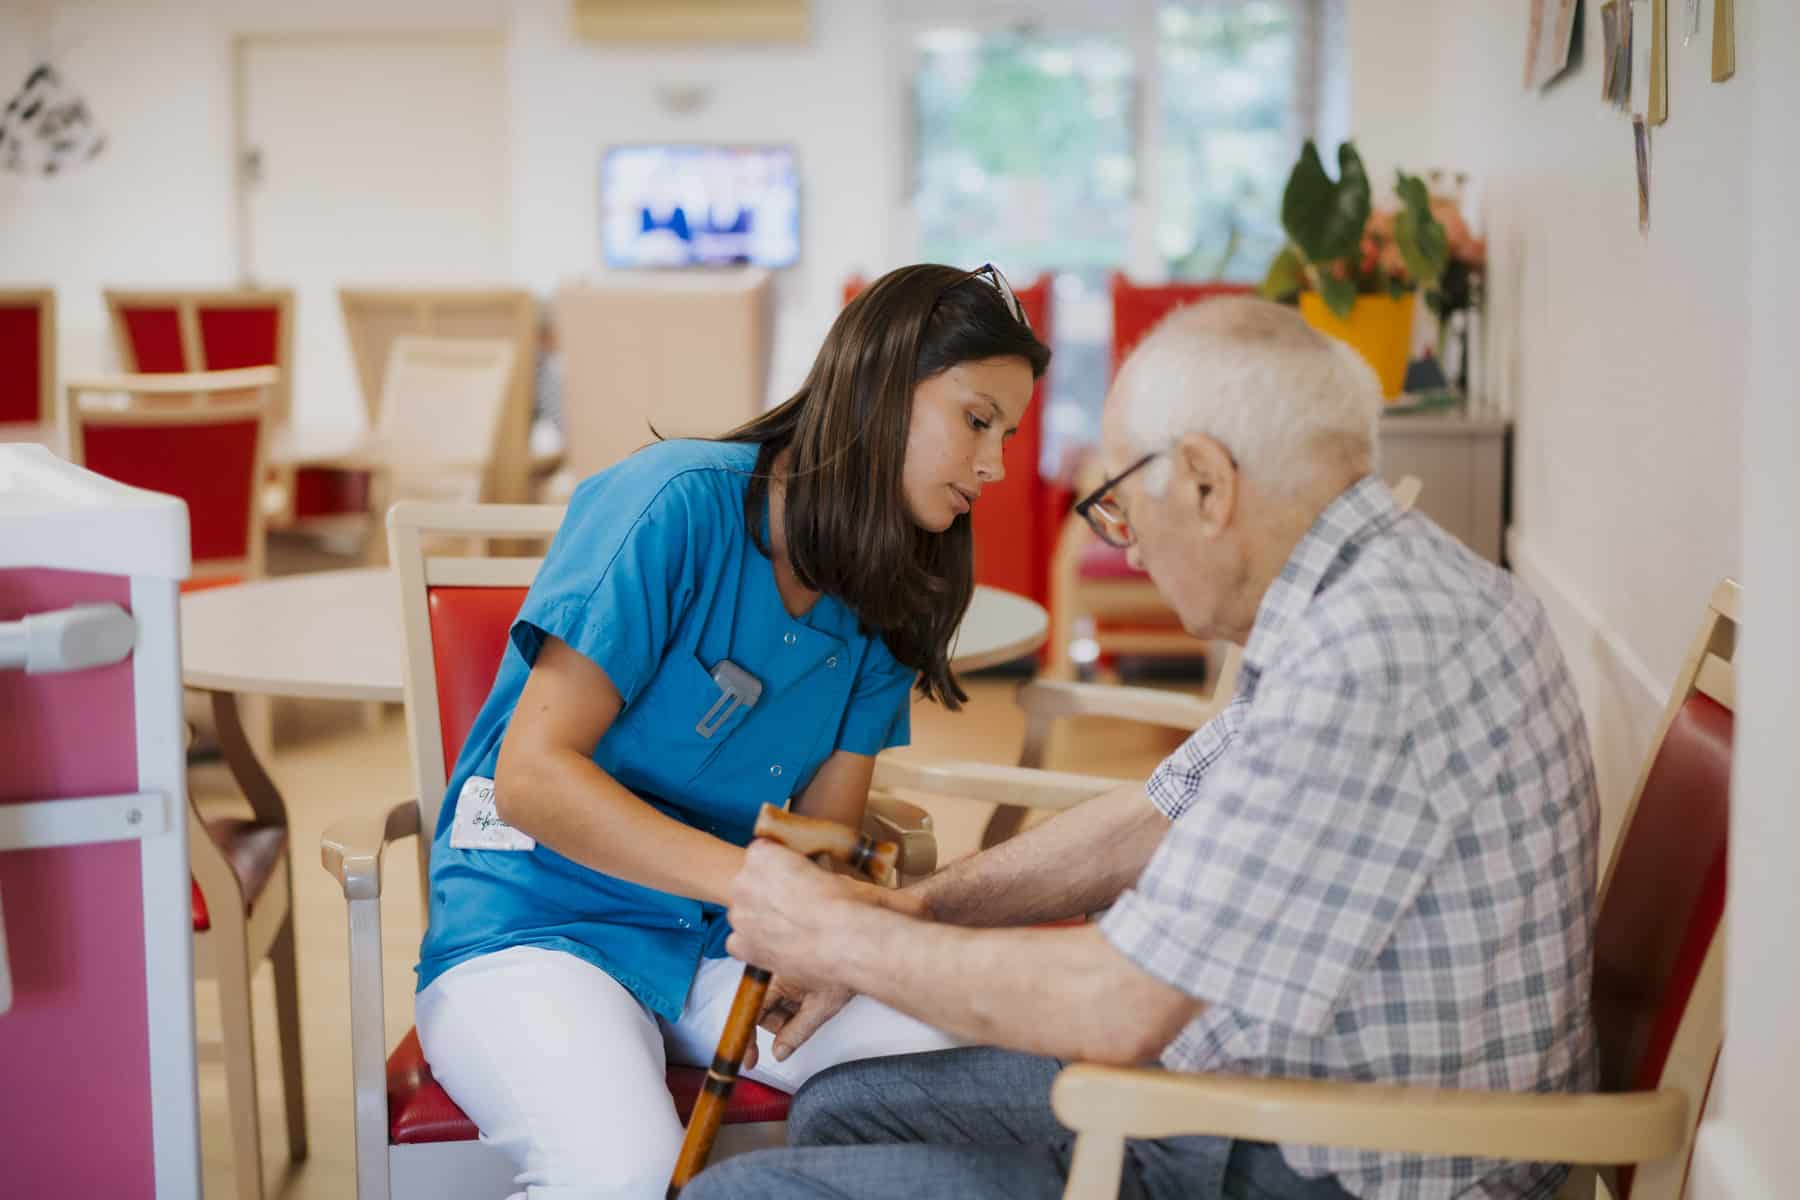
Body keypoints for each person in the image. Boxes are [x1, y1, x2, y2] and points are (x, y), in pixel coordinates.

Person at [696, 296, 1600, 1200]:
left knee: (734, 1195)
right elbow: (1156, 819)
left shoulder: (1366, 656)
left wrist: (843, 936)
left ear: (1206, 482)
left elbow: (1116, 1004)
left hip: (1334, 1162)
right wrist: (910, 911)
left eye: (1120, 508)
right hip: (1273, 1091)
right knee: (845, 1107)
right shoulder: (1366, 593)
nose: (1126, 553)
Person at [413, 263, 1051, 1198]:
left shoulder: (892, 593)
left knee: (968, 1074)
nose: (994, 465)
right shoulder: (674, 503)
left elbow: (824, 839)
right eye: (977, 419)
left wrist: (827, 932)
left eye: (1008, 435)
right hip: (534, 926)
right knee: (624, 1175)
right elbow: (533, 779)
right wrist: (764, 887)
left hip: (727, 947)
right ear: (881, 388)